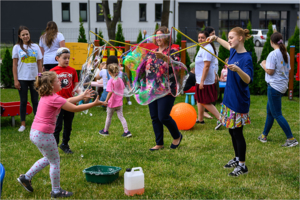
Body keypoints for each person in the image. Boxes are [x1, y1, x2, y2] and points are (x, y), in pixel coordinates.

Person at [16, 71, 106, 198]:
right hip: (44, 135)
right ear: (52, 85)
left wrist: (81, 97)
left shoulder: (47, 96)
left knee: (48, 158)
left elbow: (67, 100)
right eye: (57, 81)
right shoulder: (54, 98)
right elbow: (74, 108)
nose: (60, 82)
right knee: (54, 161)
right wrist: (93, 104)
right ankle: (56, 191)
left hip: (35, 133)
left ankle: (26, 177)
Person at [207, 27, 253, 176]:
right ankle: (237, 157)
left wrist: (238, 70)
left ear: (240, 38)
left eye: (232, 37)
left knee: (238, 133)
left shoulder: (246, 58)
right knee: (232, 132)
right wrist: (215, 38)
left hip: (239, 101)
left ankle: (242, 166)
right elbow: (227, 45)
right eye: (228, 37)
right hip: (228, 99)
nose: (229, 40)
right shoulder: (233, 51)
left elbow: (248, 80)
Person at [142, 26, 183, 150]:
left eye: (160, 36)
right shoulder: (151, 52)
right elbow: (145, 68)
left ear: (166, 37)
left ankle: (177, 136)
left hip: (167, 89)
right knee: (154, 117)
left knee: (163, 116)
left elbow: (177, 67)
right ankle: (159, 143)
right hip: (152, 88)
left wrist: (166, 58)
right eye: (156, 36)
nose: (158, 38)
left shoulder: (173, 51)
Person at [258, 32, 298, 147]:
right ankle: (264, 135)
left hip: (274, 87)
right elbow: (289, 70)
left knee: (277, 114)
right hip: (281, 87)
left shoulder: (273, 54)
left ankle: (291, 139)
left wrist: (263, 64)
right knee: (270, 112)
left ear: (271, 42)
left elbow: (270, 71)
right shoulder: (285, 53)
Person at [12, 26, 43, 132]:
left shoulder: (35, 46)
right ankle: (23, 124)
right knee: (23, 101)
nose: (26, 36)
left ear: (30, 35)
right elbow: (15, 64)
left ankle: (37, 123)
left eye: (27, 34)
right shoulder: (16, 47)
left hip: (34, 78)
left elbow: (39, 63)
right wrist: (16, 80)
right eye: (23, 34)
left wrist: (40, 77)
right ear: (19, 36)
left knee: (35, 101)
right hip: (22, 78)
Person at [50, 47, 78, 154]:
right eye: (64, 58)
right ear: (57, 58)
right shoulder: (53, 71)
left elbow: (76, 85)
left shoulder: (72, 71)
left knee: (68, 125)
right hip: (58, 103)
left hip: (70, 102)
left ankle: (65, 144)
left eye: (68, 58)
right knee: (57, 126)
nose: (67, 60)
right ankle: (54, 147)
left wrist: (79, 91)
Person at [194, 31, 221, 127]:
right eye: (199, 37)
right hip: (200, 79)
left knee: (203, 101)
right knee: (199, 99)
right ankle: (200, 119)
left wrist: (202, 81)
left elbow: (207, 66)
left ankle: (220, 118)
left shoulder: (207, 49)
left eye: (202, 37)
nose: (200, 39)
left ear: (207, 39)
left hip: (204, 80)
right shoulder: (203, 48)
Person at [99, 63, 132, 137]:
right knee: (121, 117)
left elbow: (110, 92)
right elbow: (123, 88)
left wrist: (106, 101)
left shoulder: (110, 81)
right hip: (119, 103)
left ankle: (105, 131)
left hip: (111, 104)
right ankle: (126, 131)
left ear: (109, 72)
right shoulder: (120, 80)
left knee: (109, 117)